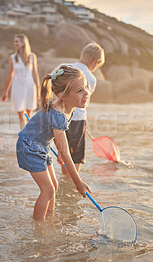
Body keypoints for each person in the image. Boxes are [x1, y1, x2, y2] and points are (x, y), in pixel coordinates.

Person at [16, 65, 92, 220]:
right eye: (79, 91)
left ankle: (49, 218)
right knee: (48, 190)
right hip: (29, 147)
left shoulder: (67, 107)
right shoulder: (57, 113)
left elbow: (59, 141)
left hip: (41, 146)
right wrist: (78, 182)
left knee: (54, 187)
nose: (86, 93)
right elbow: (65, 151)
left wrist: (60, 153)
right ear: (63, 95)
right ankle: (38, 226)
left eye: (85, 87)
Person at [55, 42, 105, 174]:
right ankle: (71, 184)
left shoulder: (63, 67)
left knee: (64, 153)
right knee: (75, 157)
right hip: (77, 120)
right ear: (94, 62)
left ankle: (65, 178)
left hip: (58, 117)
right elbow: (83, 103)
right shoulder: (91, 78)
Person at [2, 34, 40, 129]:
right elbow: (10, 75)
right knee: (21, 114)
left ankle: (30, 135)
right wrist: (5, 91)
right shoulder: (12, 58)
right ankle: (23, 136)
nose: (15, 43)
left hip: (30, 86)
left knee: (29, 113)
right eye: (14, 41)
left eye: (17, 41)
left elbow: (35, 73)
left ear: (23, 43)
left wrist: (39, 89)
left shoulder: (32, 56)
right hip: (18, 86)